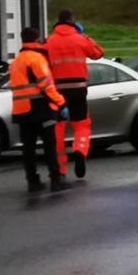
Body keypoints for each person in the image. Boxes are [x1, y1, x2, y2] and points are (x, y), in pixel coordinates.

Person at [46, 9, 104, 180]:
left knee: (58, 130)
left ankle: (61, 168)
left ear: (58, 21)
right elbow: (98, 53)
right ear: (72, 21)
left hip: (58, 92)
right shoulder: (80, 39)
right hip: (79, 89)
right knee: (82, 125)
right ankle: (80, 150)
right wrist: (85, 36)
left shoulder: (49, 42)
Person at [10, 27, 70, 193]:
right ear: (36, 39)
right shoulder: (37, 59)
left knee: (28, 149)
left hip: (21, 112)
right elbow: (47, 85)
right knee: (50, 146)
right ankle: (56, 180)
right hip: (40, 109)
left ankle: (32, 182)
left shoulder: (16, 61)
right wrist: (61, 103)